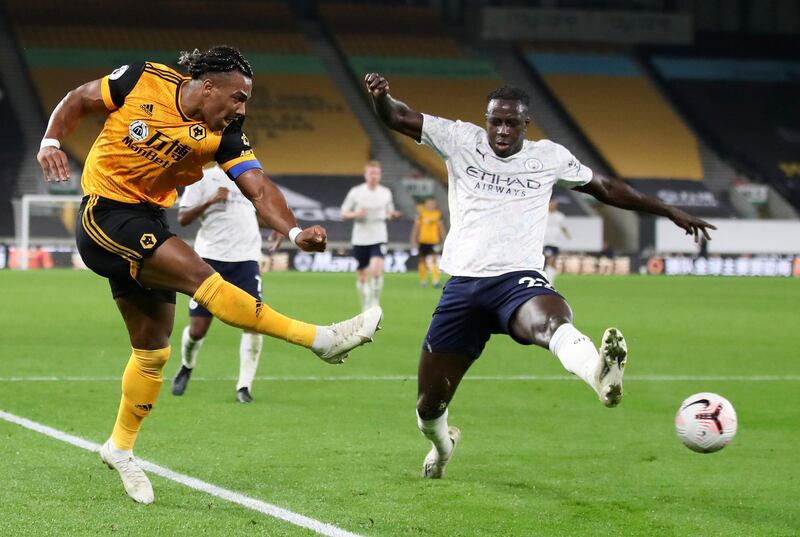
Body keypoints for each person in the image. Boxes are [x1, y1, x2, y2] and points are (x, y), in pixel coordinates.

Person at [35, 46, 382, 505]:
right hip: (106, 213)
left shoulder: (226, 134)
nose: (241, 109)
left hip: (151, 221)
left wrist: (294, 230)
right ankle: (320, 339)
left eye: (247, 102)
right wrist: (51, 142)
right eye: (238, 98)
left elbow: (258, 186)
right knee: (204, 277)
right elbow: (78, 100)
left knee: (152, 351)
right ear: (208, 86)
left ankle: (119, 447)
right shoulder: (141, 79)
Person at [364, 73, 715, 479]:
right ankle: (443, 448)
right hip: (463, 285)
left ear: (525, 125)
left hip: (518, 280)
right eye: (495, 121)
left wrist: (668, 210)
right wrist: (381, 98)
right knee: (428, 407)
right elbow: (398, 118)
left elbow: (604, 186)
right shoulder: (459, 139)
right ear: (486, 120)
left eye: (511, 123)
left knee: (551, 322)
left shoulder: (549, 157)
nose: (502, 130)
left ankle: (598, 373)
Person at [171, 165, 267, 404]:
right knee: (198, 329)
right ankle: (187, 365)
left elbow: (259, 212)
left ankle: (244, 386)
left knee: (253, 322)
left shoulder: (250, 176)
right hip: (210, 259)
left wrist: (278, 226)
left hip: (246, 260)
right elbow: (182, 217)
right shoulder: (200, 176)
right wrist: (212, 200)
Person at [340, 160, 400, 311]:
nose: (374, 176)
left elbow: (389, 211)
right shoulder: (356, 192)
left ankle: (375, 302)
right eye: (371, 173)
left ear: (380, 175)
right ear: (366, 175)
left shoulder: (385, 192)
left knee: (376, 270)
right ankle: (365, 304)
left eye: (377, 173)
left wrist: (392, 214)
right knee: (362, 276)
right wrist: (355, 213)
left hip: (379, 236)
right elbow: (343, 213)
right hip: (360, 238)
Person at [410, 197, 446, 288]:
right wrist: (413, 238)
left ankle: (435, 281)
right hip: (423, 241)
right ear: (425, 204)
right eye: (429, 203)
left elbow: (441, 228)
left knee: (434, 260)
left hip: (434, 241)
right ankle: (423, 281)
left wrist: (444, 239)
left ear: (435, 204)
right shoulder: (421, 214)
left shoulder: (438, 214)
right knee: (422, 261)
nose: (430, 205)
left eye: (432, 203)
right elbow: (416, 227)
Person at [543, 199, 571, 282]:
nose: (553, 206)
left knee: (552, 262)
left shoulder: (560, 216)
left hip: (555, 242)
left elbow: (563, 227)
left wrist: (568, 236)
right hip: (545, 242)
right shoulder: (544, 214)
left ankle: (550, 281)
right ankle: (548, 281)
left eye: (555, 204)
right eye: (552, 204)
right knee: (548, 261)